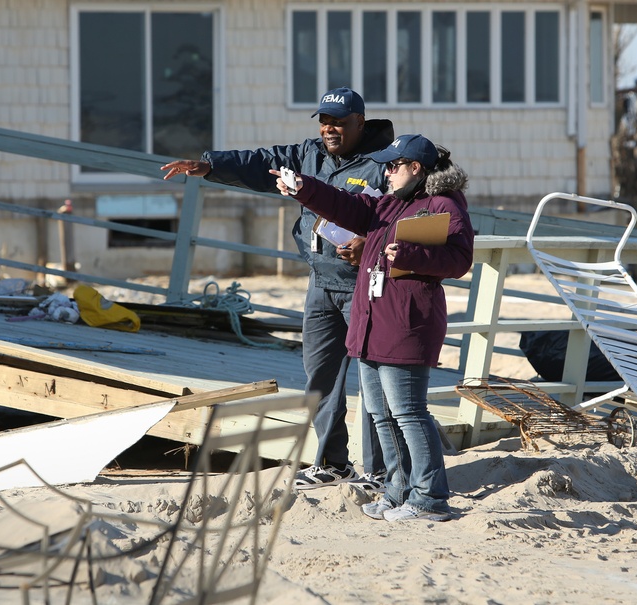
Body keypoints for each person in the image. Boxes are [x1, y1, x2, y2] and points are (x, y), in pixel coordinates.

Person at [161, 87, 391, 491]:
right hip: (320, 280)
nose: (329, 129)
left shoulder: (383, 164)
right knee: (320, 379)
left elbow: (402, 217)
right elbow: (262, 162)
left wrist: (369, 242)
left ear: (360, 121)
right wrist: (209, 166)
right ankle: (334, 463)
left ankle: (379, 471)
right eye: (323, 121)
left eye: (338, 121)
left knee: (373, 380)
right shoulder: (310, 154)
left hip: (364, 285)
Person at [272, 134, 473, 522]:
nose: (387, 171)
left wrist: (412, 254)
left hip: (406, 324)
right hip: (371, 323)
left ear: (417, 169)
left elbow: (459, 258)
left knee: (409, 412)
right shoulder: (389, 202)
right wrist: (304, 187)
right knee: (381, 413)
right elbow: (348, 206)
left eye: (394, 165)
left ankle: (431, 499)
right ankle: (397, 491)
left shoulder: (443, 204)